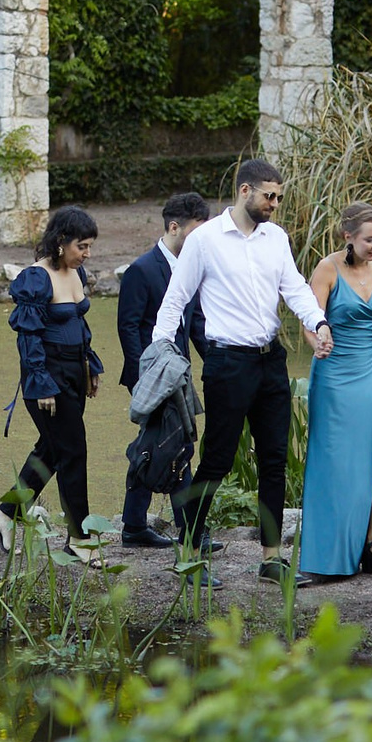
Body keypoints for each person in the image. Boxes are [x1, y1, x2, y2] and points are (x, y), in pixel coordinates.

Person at [153, 158, 332, 582]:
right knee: (216, 460)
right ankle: (191, 554)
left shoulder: (276, 238)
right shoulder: (206, 240)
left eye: (279, 197)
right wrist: (159, 352)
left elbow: (295, 289)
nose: (274, 204)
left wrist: (319, 323)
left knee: (274, 460)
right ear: (244, 190)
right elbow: (176, 299)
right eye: (269, 195)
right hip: (227, 362)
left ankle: (271, 559)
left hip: (271, 362)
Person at [297, 203, 372, 583]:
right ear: (348, 236)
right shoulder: (327, 269)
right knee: (335, 464)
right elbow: (309, 319)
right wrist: (317, 341)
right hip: (334, 374)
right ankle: (330, 555)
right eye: (369, 239)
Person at [0, 206, 104, 545]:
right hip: (46, 376)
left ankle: (4, 514)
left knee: (52, 450)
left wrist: (91, 366)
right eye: (82, 246)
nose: (87, 254)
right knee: (73, 451)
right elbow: (28, 336)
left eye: (90, 246)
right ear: (61, 241)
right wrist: (41, 384)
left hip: (74, 372)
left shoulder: (76, 274)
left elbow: (79, 324)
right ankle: (80, 539)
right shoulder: (35, 278)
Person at [115, 190, 210, 546]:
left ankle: (134, 527)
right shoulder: (141, 270)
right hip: (150, 377)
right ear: (175, 227)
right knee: (175, 447)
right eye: (196, 233)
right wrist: (147, 381)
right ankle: (188, 534)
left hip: (178, 375)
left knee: (157, 448)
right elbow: (128, 326)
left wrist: (215, 362)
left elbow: (196, 323)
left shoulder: (191, 269)